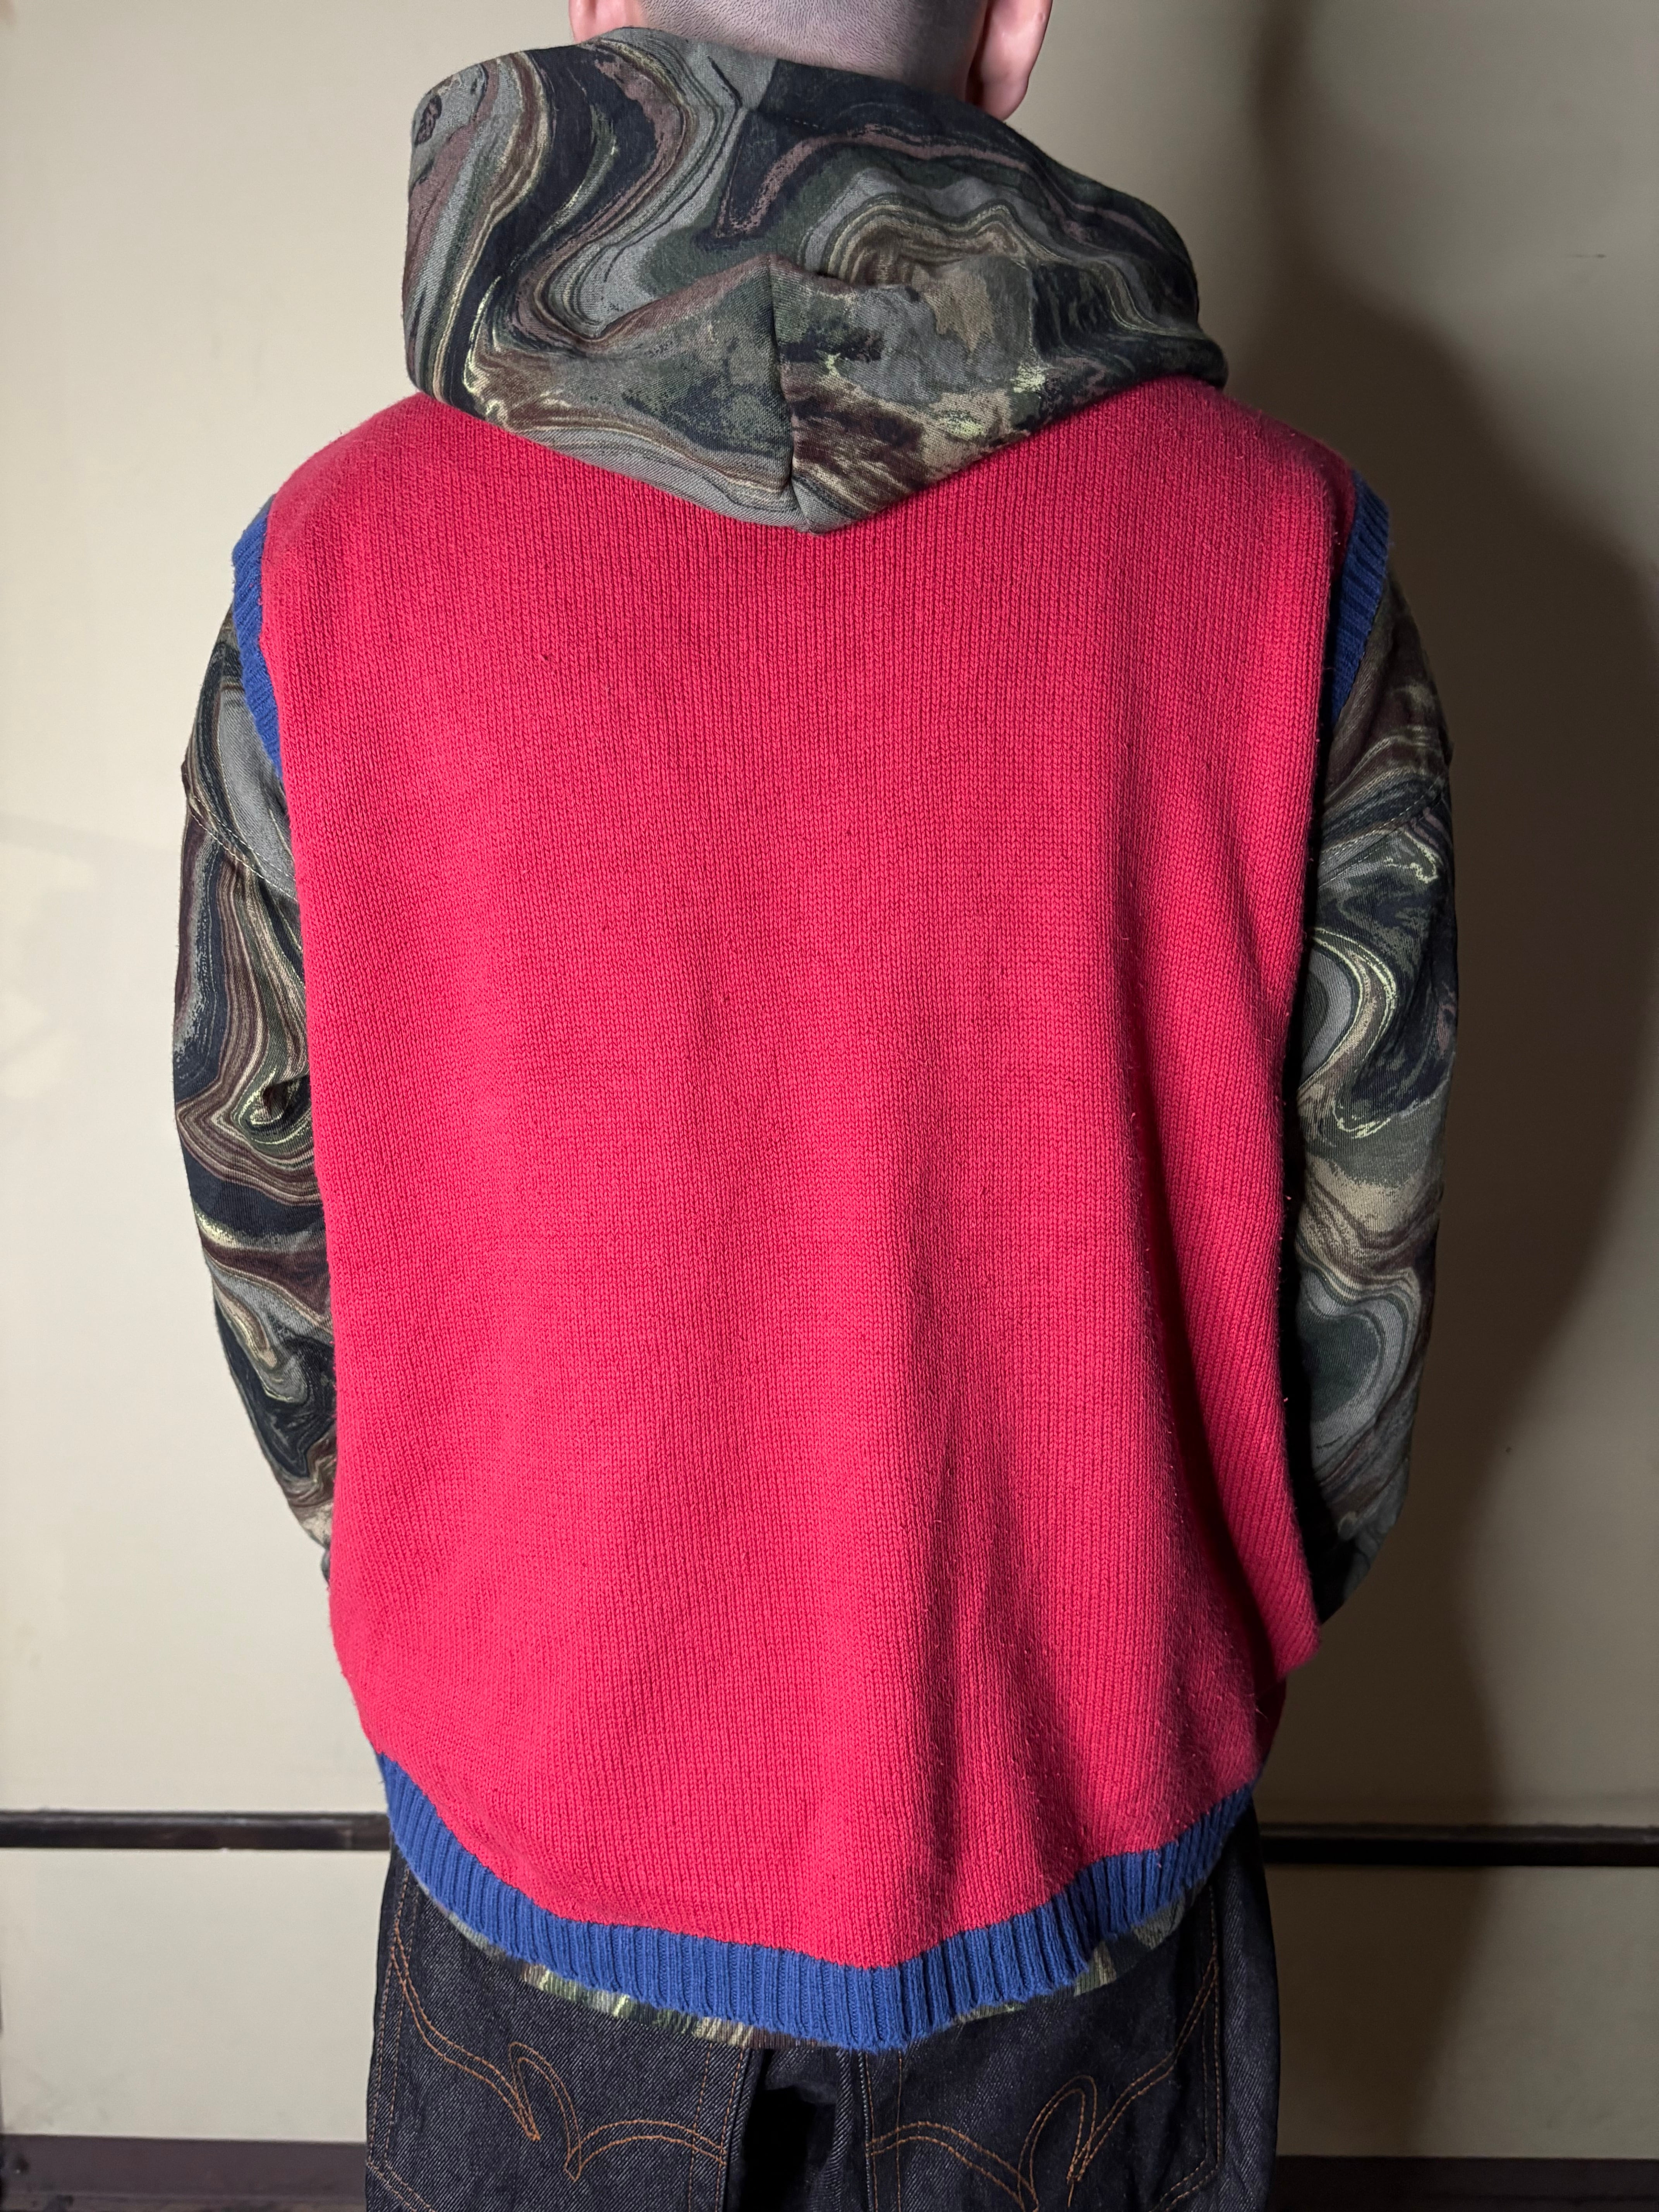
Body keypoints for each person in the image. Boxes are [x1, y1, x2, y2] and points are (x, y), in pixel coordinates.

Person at [172, 0, 1457, 2203]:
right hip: (1076, 1837)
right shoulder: (1287, 555)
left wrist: (478, 1584)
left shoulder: (327, 567)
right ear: (1015, 30)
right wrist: (1169, 1622)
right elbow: (1366, 1267)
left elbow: (261, 1204)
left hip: (537, 1846)